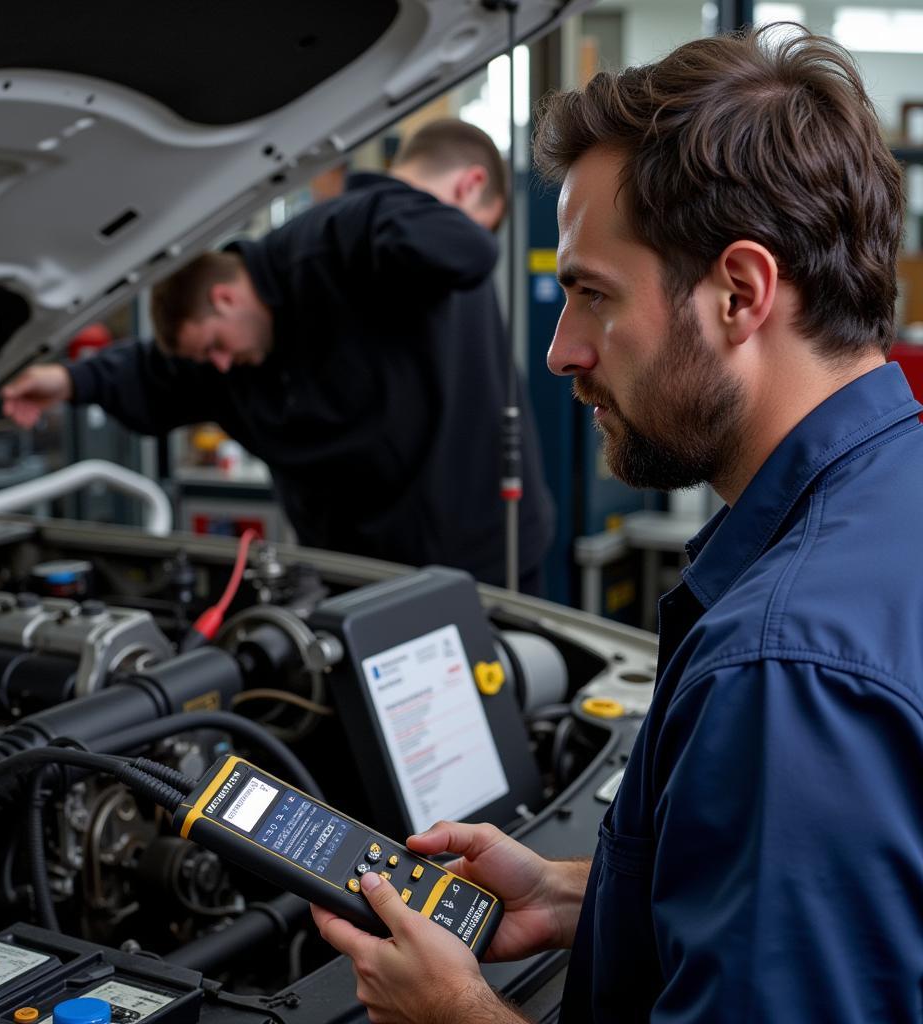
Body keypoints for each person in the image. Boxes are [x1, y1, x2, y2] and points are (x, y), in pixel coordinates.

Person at [311, 25, 923, 1024]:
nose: (559, 351)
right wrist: (584, 894)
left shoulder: (783, 674)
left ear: (740, 292)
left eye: (591, 295)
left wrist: (459, 1015)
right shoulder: (894, 493)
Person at [2, 119, 555, 593]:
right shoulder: (235, 357)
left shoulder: (343, 235)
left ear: (226, 298)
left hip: (480, 560)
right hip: (356, 575)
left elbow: (464, 249)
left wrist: (393, 205)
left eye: (215, 346)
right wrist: (65, 380)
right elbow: (151, 372)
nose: (217, 363)